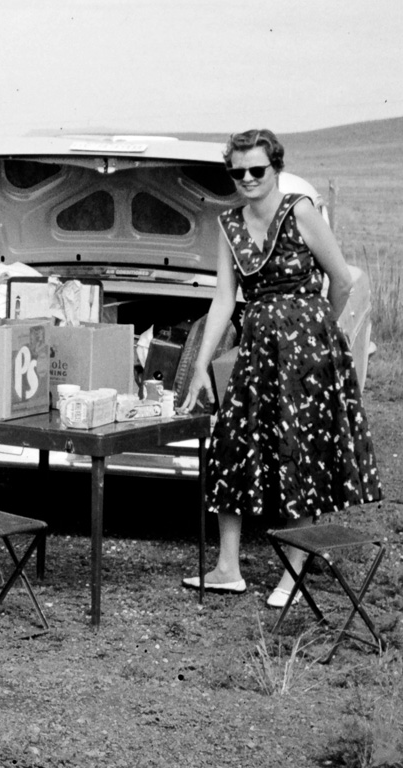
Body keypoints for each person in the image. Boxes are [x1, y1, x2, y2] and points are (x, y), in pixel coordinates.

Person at [180, 128, 381, 608]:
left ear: (275, 168)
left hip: (308, 352)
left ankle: (293, 571)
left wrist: (317, 329)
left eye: (257, 170)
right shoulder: (228, 224)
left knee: (301, 452)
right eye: (237, 171)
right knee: (235, 446)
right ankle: (228, 568)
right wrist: (198, 369)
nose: (247, 179)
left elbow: (340, 278)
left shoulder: (301, 212)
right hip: (258, 351)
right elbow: (225, 299)